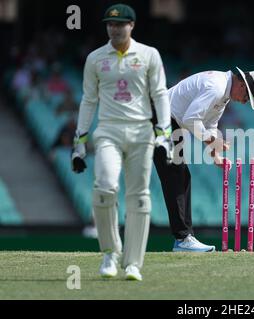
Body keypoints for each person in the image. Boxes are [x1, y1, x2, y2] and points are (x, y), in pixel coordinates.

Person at [71, 4, 172, 281]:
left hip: (141, 132)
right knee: (104, 187)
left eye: (120, 24)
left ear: (132, 25)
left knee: (139, 196)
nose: (115, 29)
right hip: (109, 130)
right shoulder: (95, 58)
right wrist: (79, 142)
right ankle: (109, 253)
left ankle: (133, 264)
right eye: (110, 25)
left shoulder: (149, 55)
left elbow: (160, 94)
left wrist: (164, 135)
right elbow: (89, 100)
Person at [153, 67, 254, 252]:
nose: (245, 102)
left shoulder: (224, 93)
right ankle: (183, 239)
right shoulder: (217, 87)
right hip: (161, 117)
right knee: (176, 175)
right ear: (241, 84)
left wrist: (216, 156)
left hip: (170, 120)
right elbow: (191, 119)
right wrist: (214, 141)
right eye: (247, 97)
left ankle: (184, 239)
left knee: (181, 176)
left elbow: (210, 125)